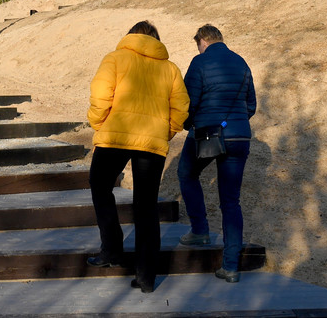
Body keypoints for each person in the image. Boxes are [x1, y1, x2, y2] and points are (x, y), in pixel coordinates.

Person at [86, 20, 189, 294]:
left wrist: (99, 124)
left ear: (130, 35)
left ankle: (111, 250)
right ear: (156, 39)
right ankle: (146, 277)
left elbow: (100, 96)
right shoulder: (170, 68)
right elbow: (181, 108)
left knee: (99, 186)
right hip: (151, 142)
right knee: (146, 206)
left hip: (115, 136)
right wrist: (162, 133)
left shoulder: (116, 58)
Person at [177, 24, 257, 283]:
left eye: (197, 44)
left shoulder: (200, 62)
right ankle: (231, 267)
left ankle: (200, 230)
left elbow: (190, 102)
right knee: (231, 202)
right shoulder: (241, 62)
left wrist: (189, 124)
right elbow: (251, 104)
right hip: (240, 136)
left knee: (186, 173)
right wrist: (235, 122)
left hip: (209, 134)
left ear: (202, 41)